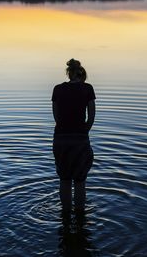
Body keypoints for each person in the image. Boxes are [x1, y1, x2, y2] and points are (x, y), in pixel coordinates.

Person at [52, 58, 96, 214]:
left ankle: (65, 216)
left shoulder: (57, 89)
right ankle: (79, 217)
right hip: (79, 139)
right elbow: (91, 117)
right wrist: (84, 132)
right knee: (79, 180)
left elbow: (56, 117)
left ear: (68, 73)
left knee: (64, 179)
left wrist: (66, 129)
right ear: (82, 74)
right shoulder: (87, 89)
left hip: (61, 138)